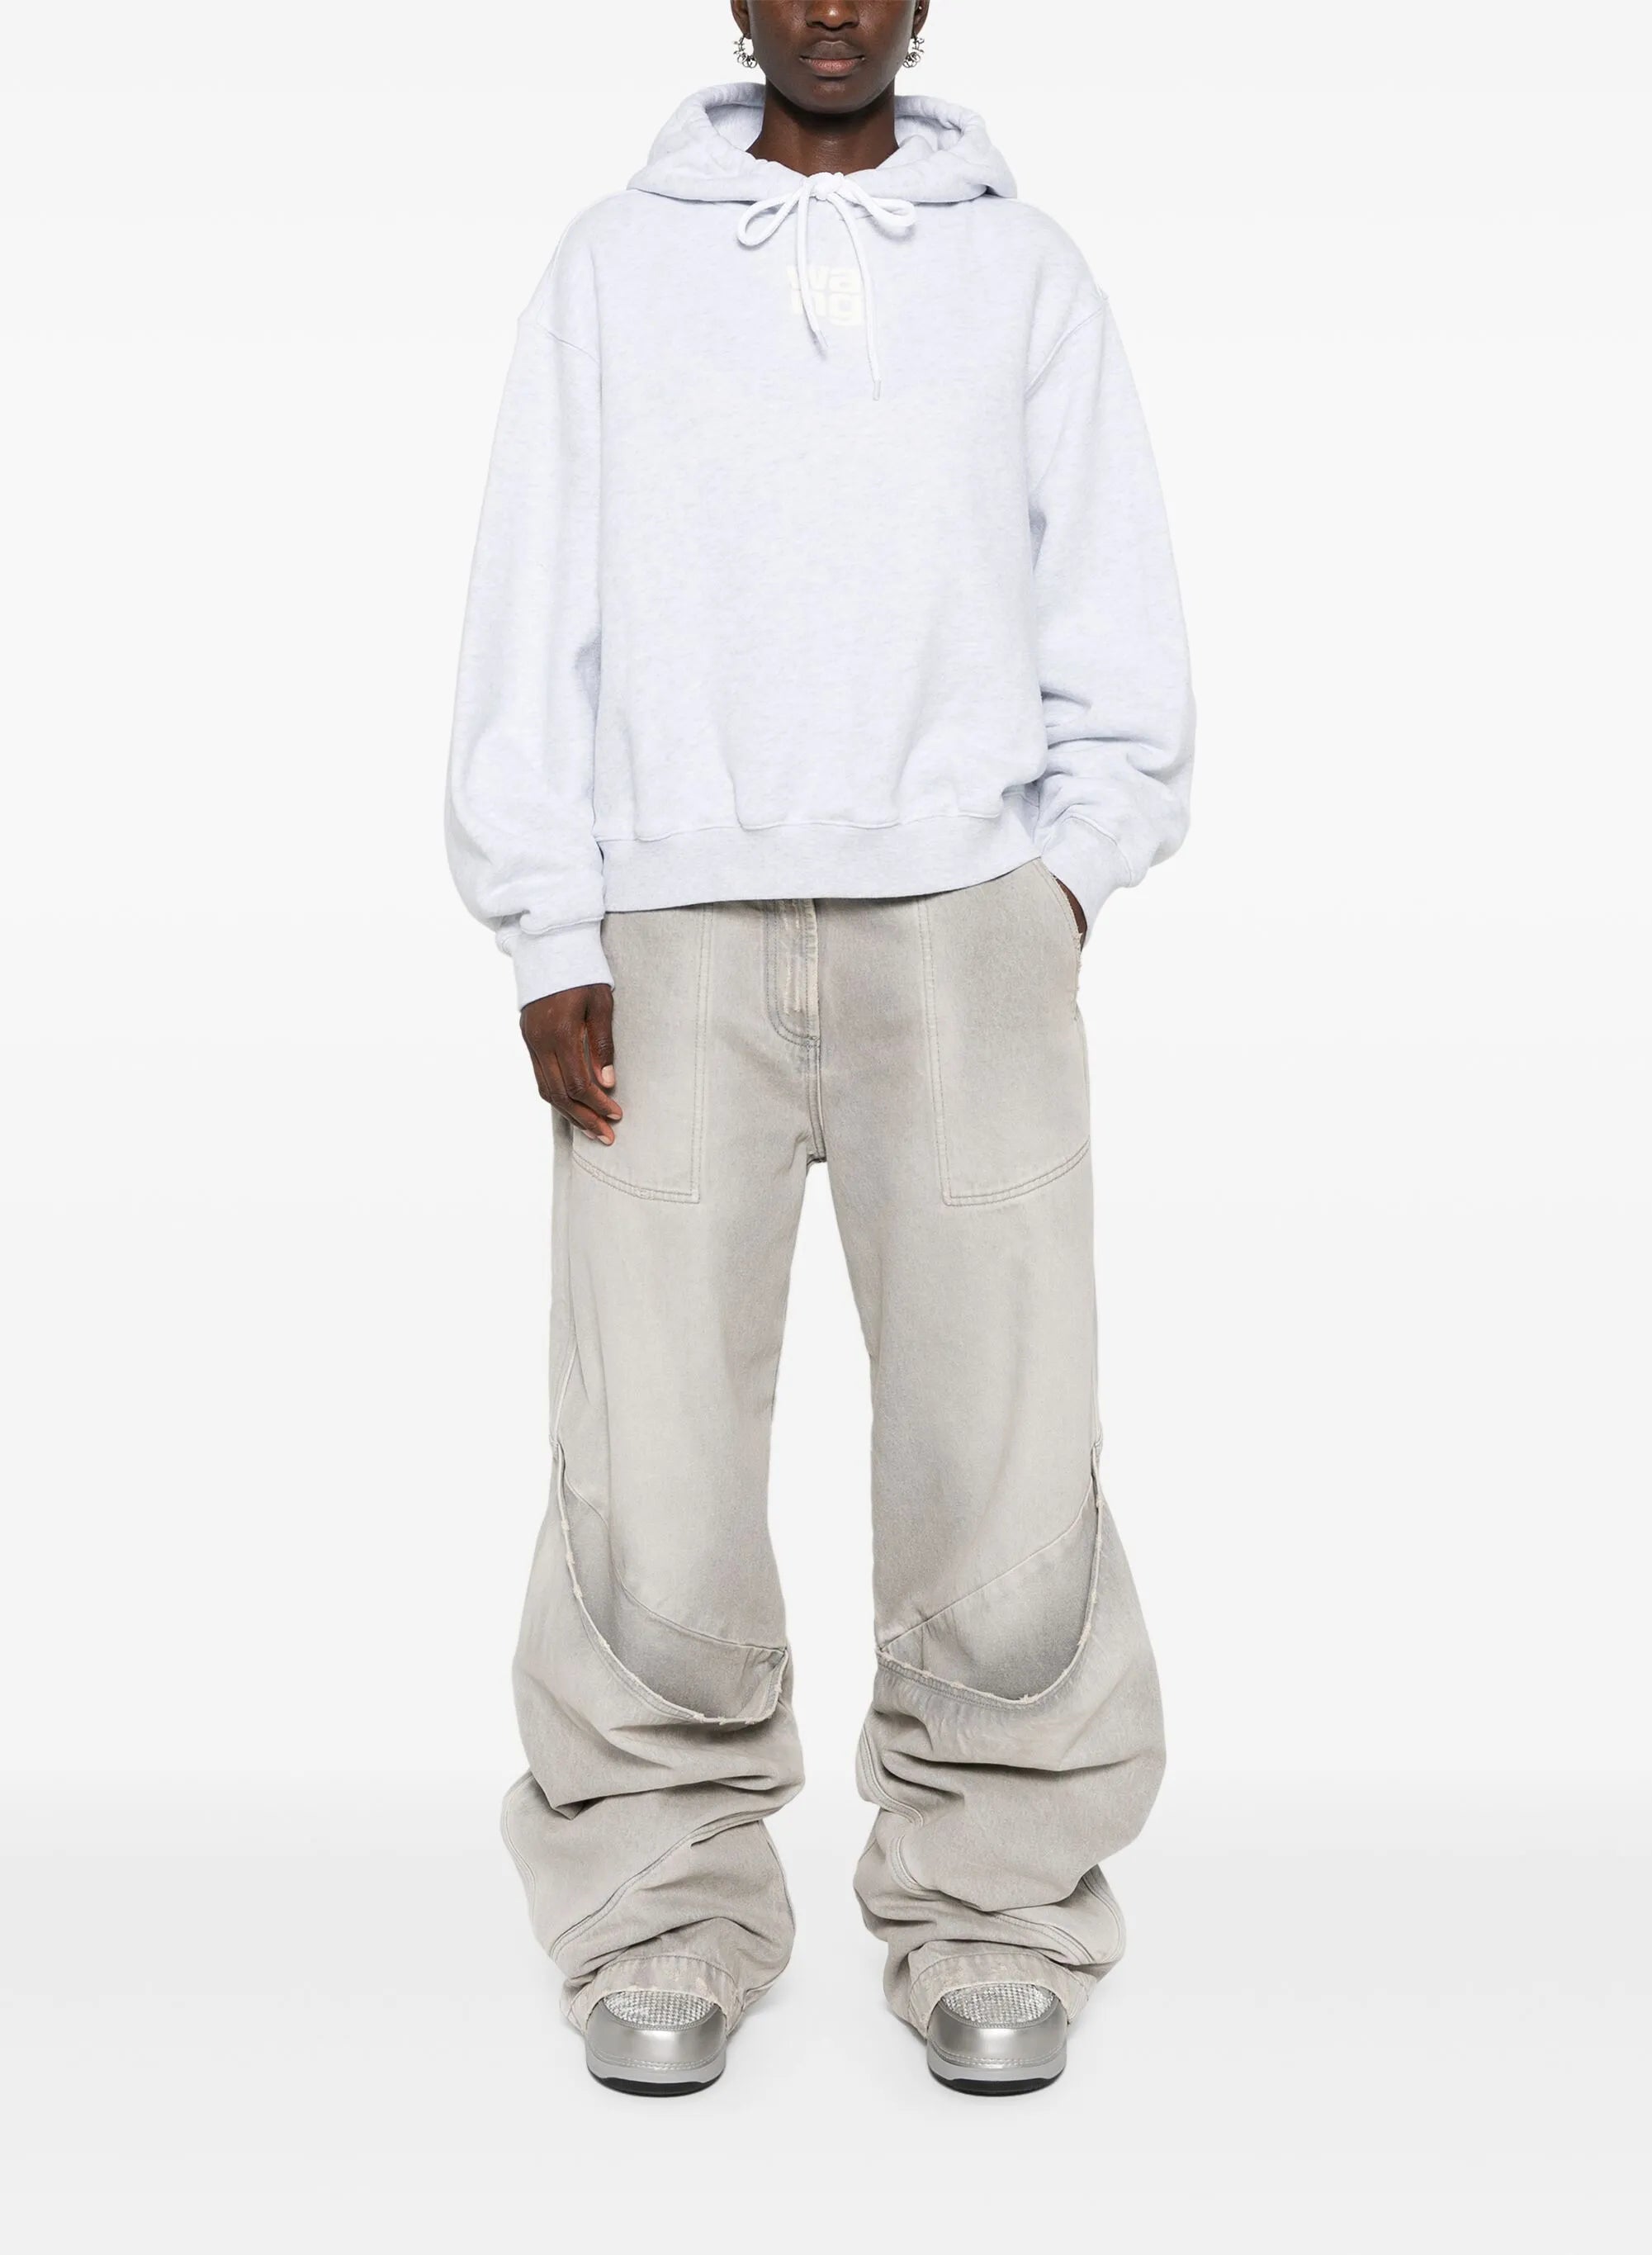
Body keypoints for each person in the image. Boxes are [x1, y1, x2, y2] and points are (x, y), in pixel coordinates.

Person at [447, 0, 1193, 2098]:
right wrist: (548, 924)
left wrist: (1058, 886)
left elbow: (1112, 602)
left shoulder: (1022, 270)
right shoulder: (616, 265)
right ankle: (656, 1905)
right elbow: (531, 600)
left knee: (1001, 1440)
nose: (836, 12)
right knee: (650, 1450)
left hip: (963, 930)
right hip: (668, 931)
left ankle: (996, 1906)